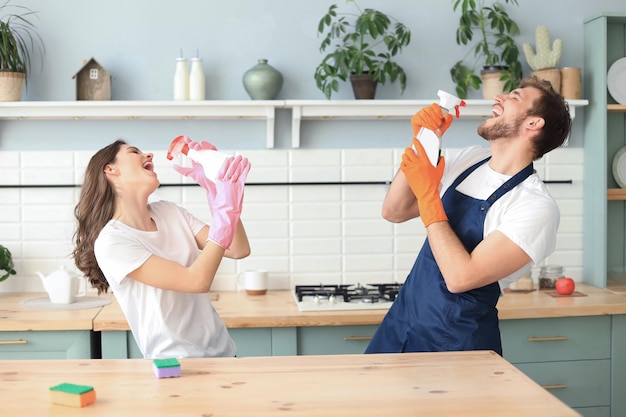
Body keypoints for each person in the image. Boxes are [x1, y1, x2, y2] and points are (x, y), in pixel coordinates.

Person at [365, 77, 572, 356]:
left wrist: (428, 197)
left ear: (533, 123)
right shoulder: (470, 160)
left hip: (457, 347)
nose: (498, 97)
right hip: (402, 326)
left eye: (515, 96)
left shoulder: (534, 206)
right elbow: (395, 210)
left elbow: (461, 278)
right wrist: (424, 142)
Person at [73, 137, 251, 359]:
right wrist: (226, 209)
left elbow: (237, 248)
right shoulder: (113, 242)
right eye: (134, 152)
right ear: (111, 170)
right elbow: (196, 281)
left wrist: (215, 192)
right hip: (177, 363)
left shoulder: (169, 212)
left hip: (224, 354)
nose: (148, 155)